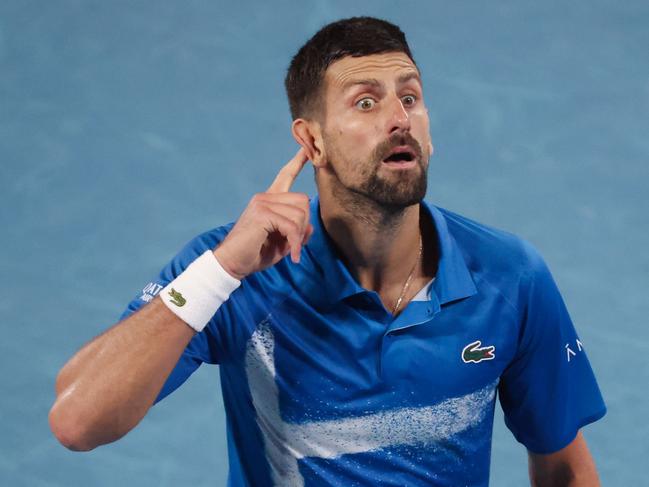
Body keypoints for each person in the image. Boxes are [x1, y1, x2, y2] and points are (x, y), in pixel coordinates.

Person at [49, 16, 606, 487]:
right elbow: (78, 421)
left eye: (409, 97)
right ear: (312, 141)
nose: (399, 119)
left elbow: (563, 467)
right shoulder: (232, 275)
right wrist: (220, 271)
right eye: (366, 102)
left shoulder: (510, 277)